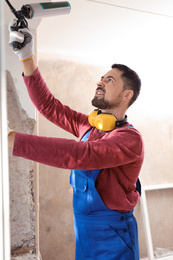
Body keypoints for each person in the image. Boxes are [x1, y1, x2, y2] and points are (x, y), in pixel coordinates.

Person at [8, 19, 144, 260]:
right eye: (101, 77)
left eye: (109, 80)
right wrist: (26, 55)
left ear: (127, 95)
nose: (100, 81)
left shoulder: (130, 139)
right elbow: (48, 106)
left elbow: (84, 155)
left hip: (114, 238)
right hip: (83, 234)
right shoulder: (89, 126)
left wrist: (13, 141)